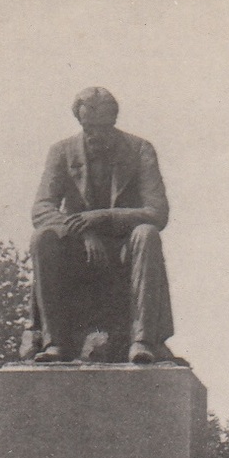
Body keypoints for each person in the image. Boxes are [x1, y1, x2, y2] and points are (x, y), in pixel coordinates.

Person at [26, 87, 177, 364]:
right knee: (42, 239)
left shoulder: (140, 149)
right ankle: (55, 343)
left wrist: (103, 217)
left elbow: (157, 212)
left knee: (147, 233)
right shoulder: (61, 152)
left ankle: (141, 341)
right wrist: (84, 231)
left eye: (104, 127)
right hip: (78, 251)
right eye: (89, 127)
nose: (97, 135)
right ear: (80, 122)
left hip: (125, 248)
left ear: (114, 122)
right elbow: (41, 208)